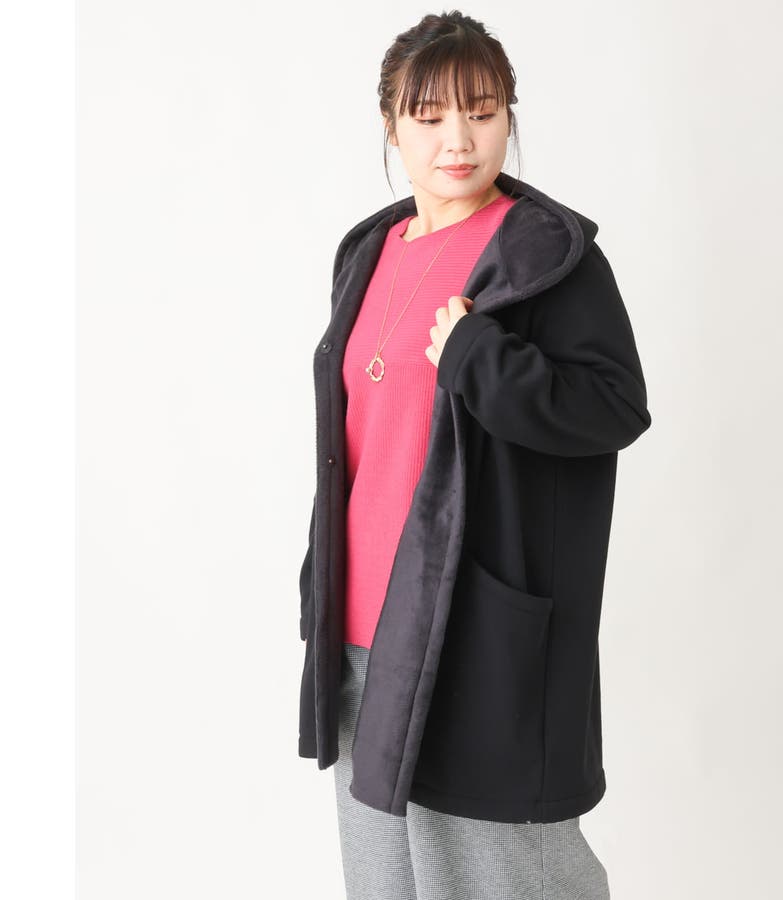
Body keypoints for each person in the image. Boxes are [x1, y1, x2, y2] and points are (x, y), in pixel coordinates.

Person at [297, 10, 652, 899]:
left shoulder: (546, 258)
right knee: (386, 882)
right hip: (360, 630)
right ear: (391, 125)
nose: (458, 139)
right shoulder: (369, 253)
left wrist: (479, 359)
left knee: (504, 880)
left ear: (507, 117)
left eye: (482, 112)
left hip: (473, 627)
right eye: (428, 116)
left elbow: (613, 408)